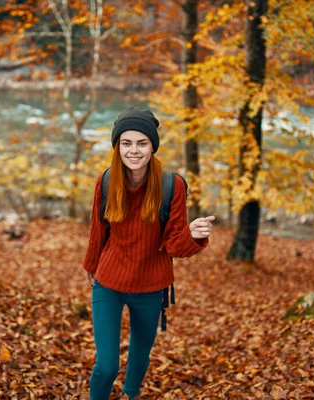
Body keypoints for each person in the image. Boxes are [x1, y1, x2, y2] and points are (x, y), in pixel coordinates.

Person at [82, 106, 215, 400]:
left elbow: (174, 244)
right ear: (117, 146)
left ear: (152, 146)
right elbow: (97, 230)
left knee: (140, 359)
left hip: (151, 286)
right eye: (126, 143)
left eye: (142, 143)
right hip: (109, 282)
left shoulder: (172, 185)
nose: (133, 151)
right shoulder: (106, 181)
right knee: (106, 365)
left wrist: (191, 235)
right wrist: (91, 266)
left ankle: (131, 395)